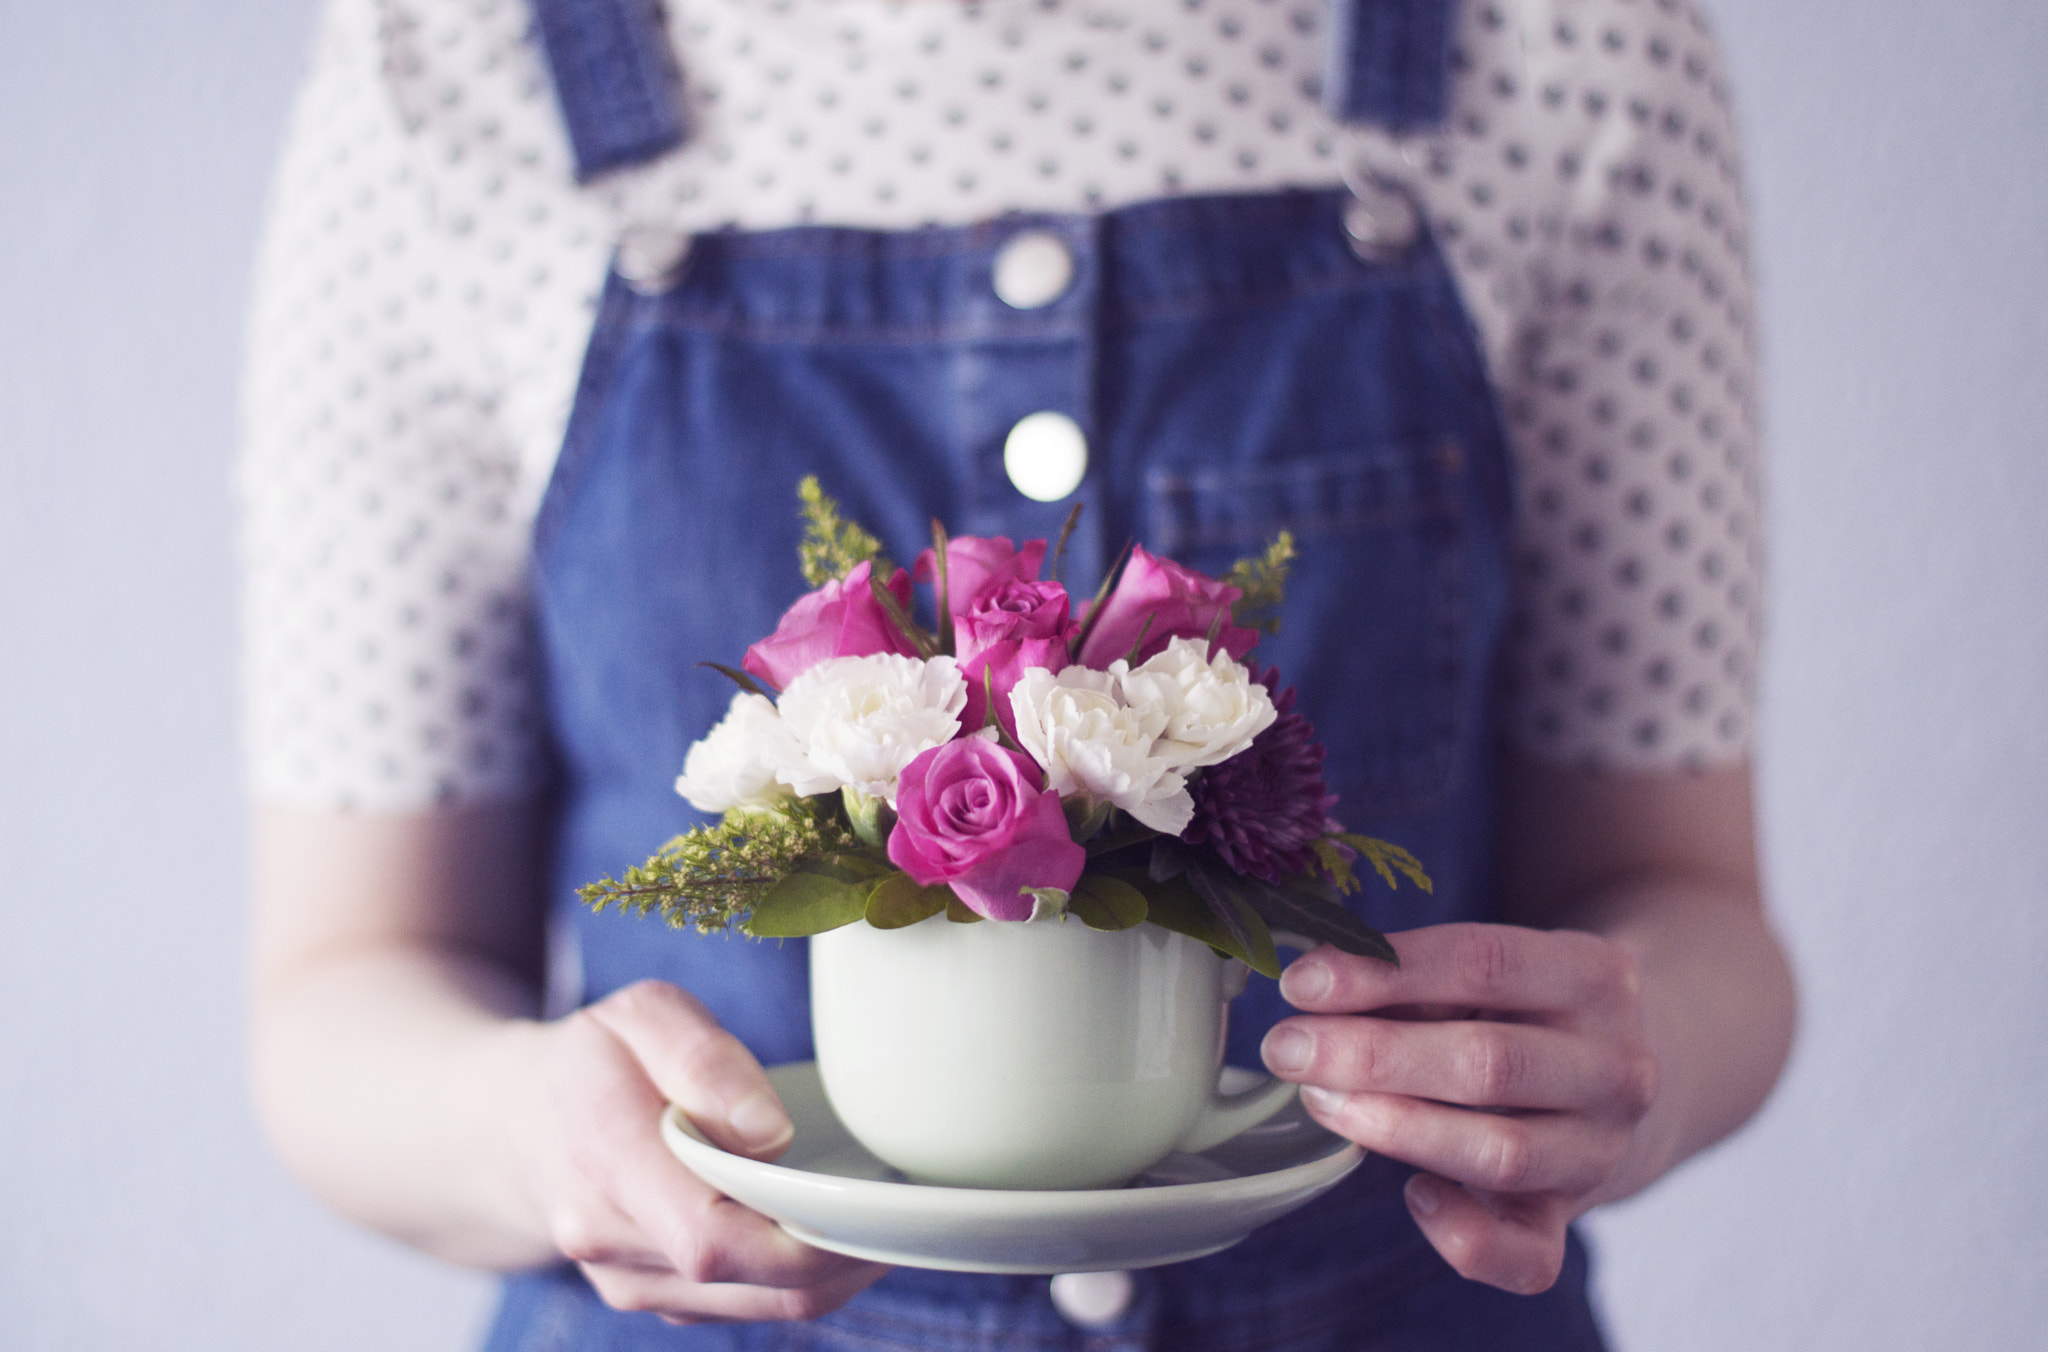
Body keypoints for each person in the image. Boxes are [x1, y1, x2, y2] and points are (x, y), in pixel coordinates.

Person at [241, 0, 1795, 1347]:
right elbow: (346, 984)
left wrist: (1627, 1068)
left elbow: (1684, 897)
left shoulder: (1559, 43)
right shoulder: (452, 67)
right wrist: (526, 1136)